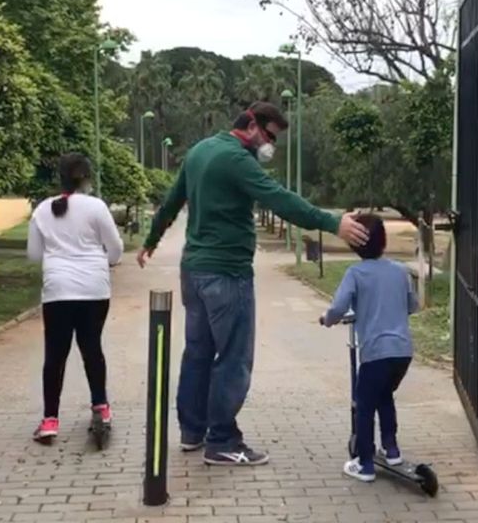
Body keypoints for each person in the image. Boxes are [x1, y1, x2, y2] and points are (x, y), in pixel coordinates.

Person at [137, 101, 369, 466]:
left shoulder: (200, 151)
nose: (270, 145)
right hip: (227, 274)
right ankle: (223, 441)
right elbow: (279, 199)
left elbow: (171, 200)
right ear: (250, 125)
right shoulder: (237, 160)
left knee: (197, 353)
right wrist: (331, 222)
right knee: (233, 358)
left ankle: (192, 432)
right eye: (269, 136)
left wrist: (151, 241)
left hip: (193, 272)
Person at [26, 153, 124, 443]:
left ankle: (50, 420)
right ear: (87, 178)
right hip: (94, 289)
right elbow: (115, 248)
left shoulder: (42, 210)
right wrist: (105, 261)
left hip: (57, 291)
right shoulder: (96, 207)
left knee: (55, 355)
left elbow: (33, 254)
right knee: (91, 347)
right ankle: (101, 407)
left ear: (61, 178)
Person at [320, 214, 418, 482]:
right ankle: (392, 448)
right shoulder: (400, 271)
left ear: (355, 245)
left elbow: (339, 307)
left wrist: (328, 320)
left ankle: (364, 464)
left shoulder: (355, 273)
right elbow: (413, 305)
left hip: (375, 353)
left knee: (364, 404)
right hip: (402, 352)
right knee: (384, 395)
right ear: (384, 242)